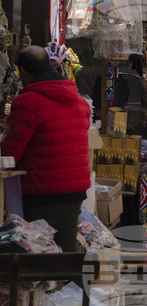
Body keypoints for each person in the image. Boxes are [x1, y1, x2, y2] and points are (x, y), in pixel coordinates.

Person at [1, 46, 91, 252]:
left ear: (23, 71)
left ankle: (53, 283)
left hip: (41, 190)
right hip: (75, 191)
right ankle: (72, 284)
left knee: (38, 253)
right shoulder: (78, 100)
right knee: (66, 250)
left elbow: (10, 154)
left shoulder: (28, 101)